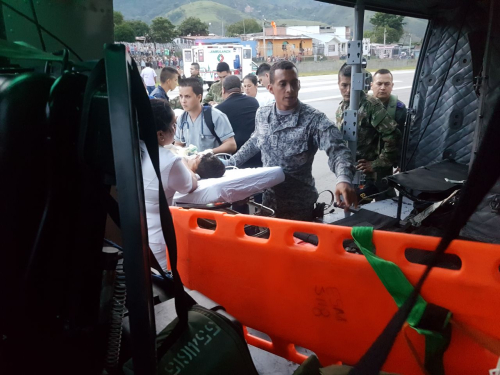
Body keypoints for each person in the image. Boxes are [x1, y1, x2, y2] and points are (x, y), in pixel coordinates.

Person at [231, 61, 357, 221]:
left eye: (293, 83)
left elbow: (338, 151)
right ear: (271, 88)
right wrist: (229, 163)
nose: (289, 90)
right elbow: (255, 141)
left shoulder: (313, 120)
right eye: (282, 84)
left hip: (299, 211)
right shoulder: (263, 114)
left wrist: (343, 178)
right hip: (268, 206)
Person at [141, 99, 198, 269]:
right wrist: (189, 165)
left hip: (135, 236)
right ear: (160, 134)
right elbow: (190, 185)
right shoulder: (169, 161)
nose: (175, 129)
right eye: (173, 125)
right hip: (159, 241)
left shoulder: (133, 149)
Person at [335, 64, 402, 196]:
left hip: (373, 176)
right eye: (344, 85)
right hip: (352, 171)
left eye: (352, 85)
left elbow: (393, 135)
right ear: (338, 84)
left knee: (385, 208)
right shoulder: (342, 107)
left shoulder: (371, 105)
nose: (348, 90)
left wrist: (378, 163)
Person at [174, 78, 237, 154]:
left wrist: (210, 152)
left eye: (187, 96)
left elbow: (231, 145)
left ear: (199, 97)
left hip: (211, 163)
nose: (183, 101)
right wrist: (180, 150)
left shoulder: (215, 116)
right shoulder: (181, 119)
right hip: (190, 164)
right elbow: (178, 143)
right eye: (181, 96)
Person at [217, 75, 261, 169]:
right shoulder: (253, 102)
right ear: (241, 88)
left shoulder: (219, 110)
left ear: (223, 90)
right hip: (258, 154)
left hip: (236, 159)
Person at [370, 68, 407, 134]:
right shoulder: (364, 104)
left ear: (392, 86)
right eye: (379, 84)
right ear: (371, 85)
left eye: (387, 84)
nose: (383, 88)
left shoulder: (399, 109)